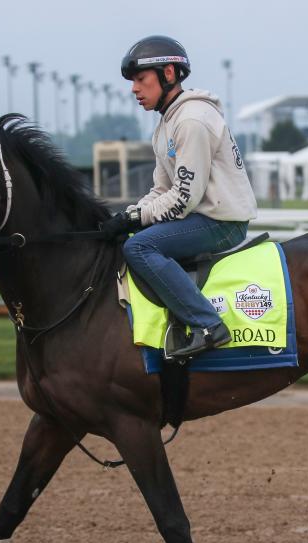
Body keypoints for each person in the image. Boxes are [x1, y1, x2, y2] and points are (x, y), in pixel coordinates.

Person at [100, 35, 257, 360]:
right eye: (133, 82)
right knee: (131, 234)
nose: (134, 89)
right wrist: (131, 213)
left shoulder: (191, 120)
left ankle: (208, 326)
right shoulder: (166, 125)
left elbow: (184, 197)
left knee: (139, 246)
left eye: (141, 80)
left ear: (168, 74)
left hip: (220, 222)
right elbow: (161, 190)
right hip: (200, 217)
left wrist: (134, 219)